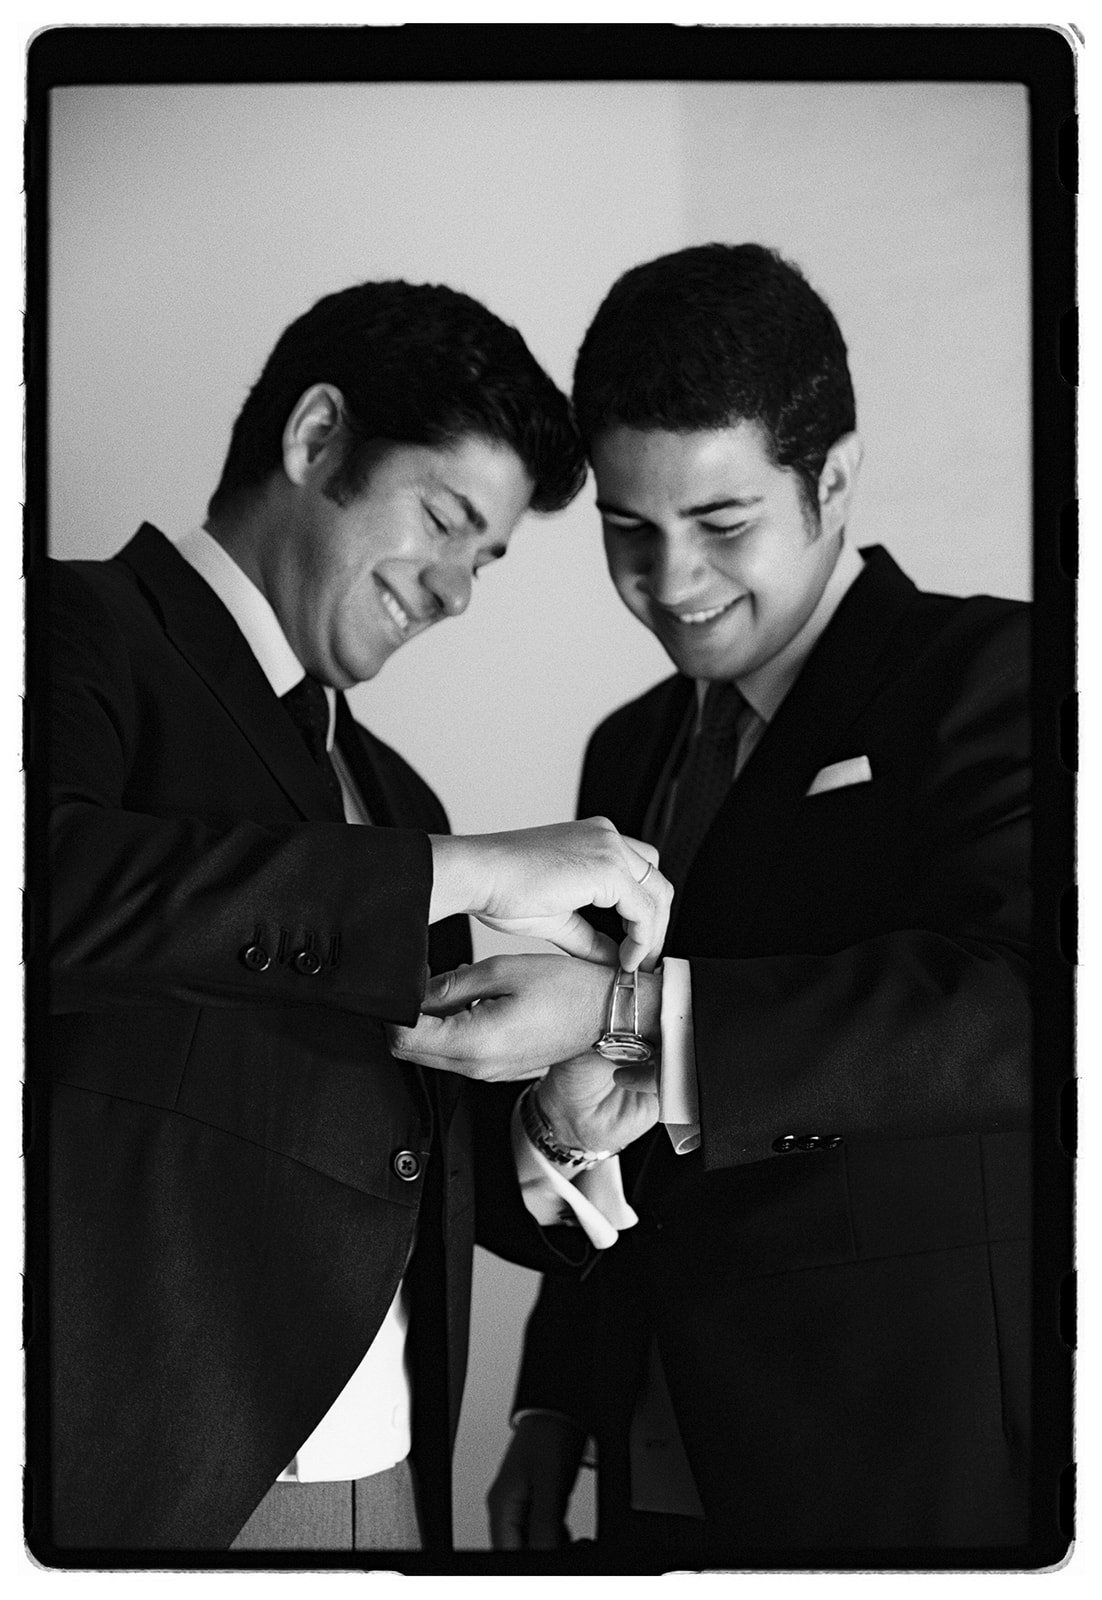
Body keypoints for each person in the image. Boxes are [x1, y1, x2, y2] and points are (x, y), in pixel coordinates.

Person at [392, 244, 1032, 1559]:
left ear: (832, 479)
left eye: (720, 524)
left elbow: (1031, 1003)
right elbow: (630, 1138)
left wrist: (628, 1020)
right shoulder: (628, 751)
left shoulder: (997, 672)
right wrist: (556, 1405)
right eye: (629, 529)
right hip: (651, 1452)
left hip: (905, 1454)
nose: (669, 581)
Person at [34, 278, 672, 1555]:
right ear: (315, 436)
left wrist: (544, 1132)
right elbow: (47, 893)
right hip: (134, 1480)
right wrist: (464, 872)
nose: (454, 591)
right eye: (444, 521)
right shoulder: (57, 630)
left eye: (484, 558)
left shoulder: (398, 797)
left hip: (391, 1484)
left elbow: (379, 1140)